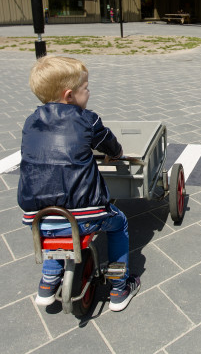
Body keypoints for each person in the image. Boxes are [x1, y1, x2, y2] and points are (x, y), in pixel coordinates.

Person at [17, 56, 140, 312]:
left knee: (53, 230)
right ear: (70, 95)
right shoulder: (88, 120)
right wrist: (116, 154)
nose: (89, 91)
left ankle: (48, 283)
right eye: (86, 88)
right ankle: (120, 288)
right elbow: (109, 143)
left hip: (36, 216)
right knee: (119, 223)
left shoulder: (30, 123)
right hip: (84, 213)